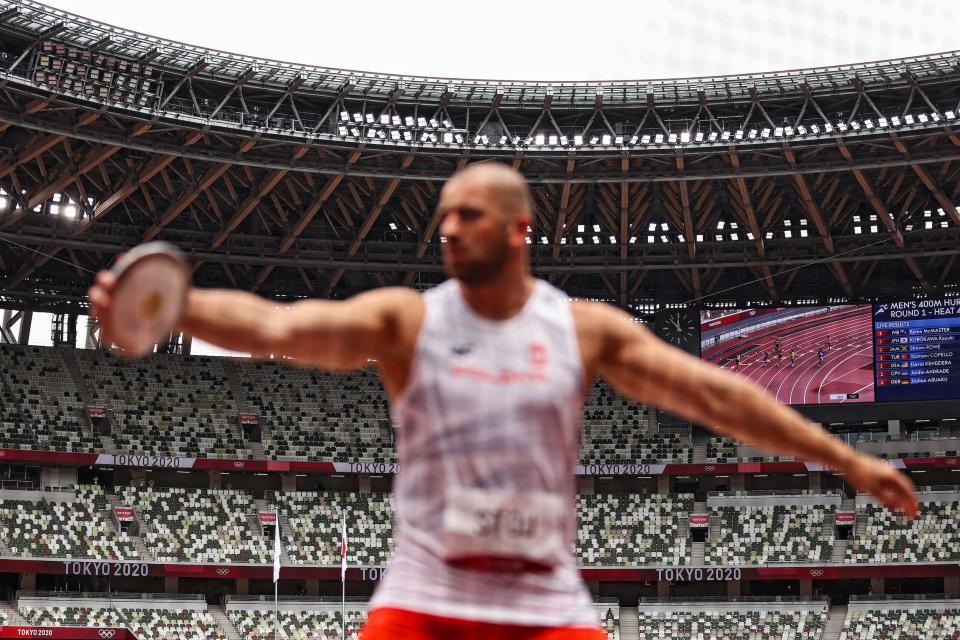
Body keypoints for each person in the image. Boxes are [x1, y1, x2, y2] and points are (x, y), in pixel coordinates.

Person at [88, 163, 917, 640]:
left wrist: (845, 457)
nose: (449, 227)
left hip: (542, 602)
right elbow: (282, 325)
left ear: (520, 229)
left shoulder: (583, 330)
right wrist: (173, 308)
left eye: (470, 215)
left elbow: (717, 395)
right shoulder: (406, 321)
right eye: (444, 215)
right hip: (424, 599)